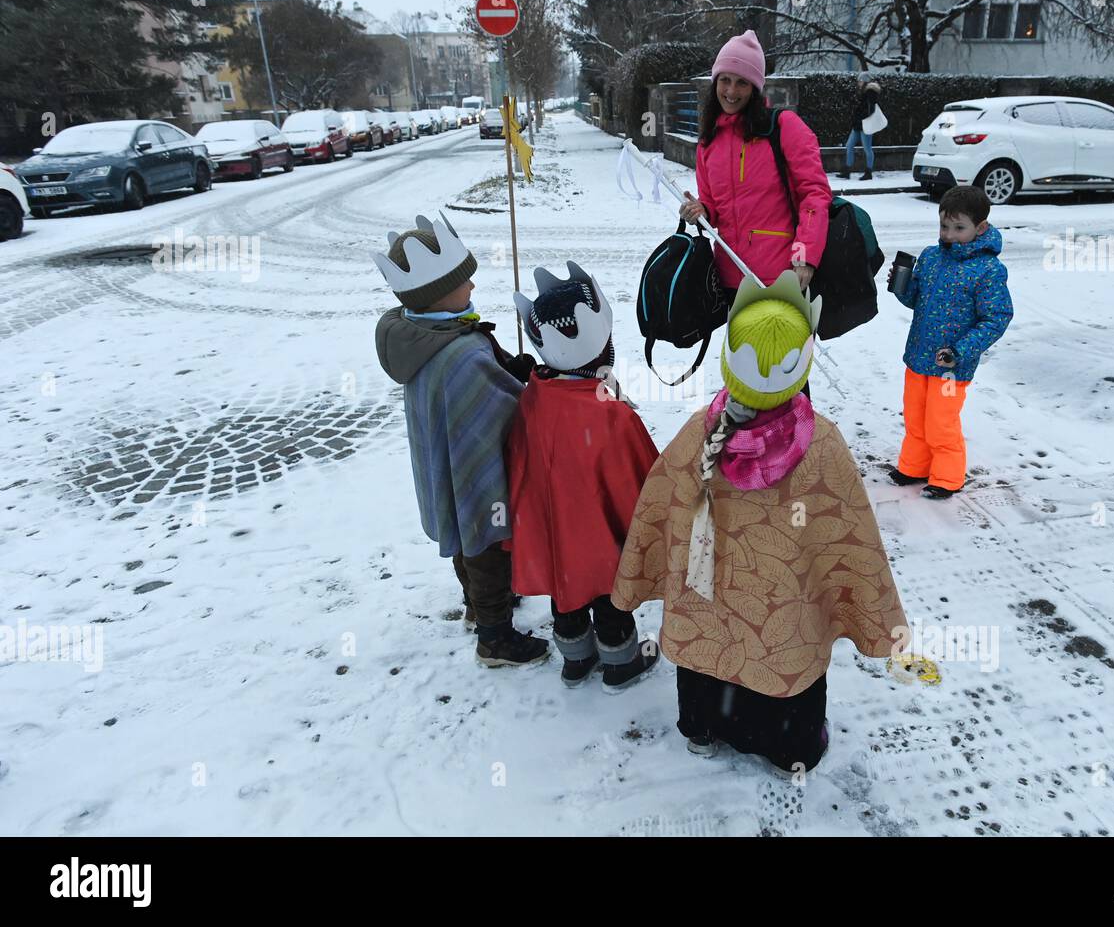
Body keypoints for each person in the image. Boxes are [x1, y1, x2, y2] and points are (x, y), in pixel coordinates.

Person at [612, 271, 909, 773]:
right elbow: (850, 537)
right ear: (801, 365)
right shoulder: (823, 447)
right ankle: (788, 746)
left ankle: (704, 727)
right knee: (783, 645)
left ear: (730, 360)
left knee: (709, 639)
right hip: (782, 615)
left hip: (708, 597)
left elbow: (659, 510)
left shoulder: (697, 434)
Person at [373, 212, 549, 666]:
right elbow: (504, 409)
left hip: (447, 465)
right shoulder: (460, 354)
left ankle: (476, 605)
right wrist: (532, 391)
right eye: (463, 281)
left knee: (463, 528)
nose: (472, 288)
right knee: (486, 543)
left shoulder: (421, 334)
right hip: (478, 469)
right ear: (437, 294)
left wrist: (507, 366)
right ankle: (495, 638)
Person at [506, 262, 662, 691]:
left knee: (567, 588)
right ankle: (621, 661)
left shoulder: (535, 396)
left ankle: (576, 659)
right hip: (600, 536)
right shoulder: (609, 414)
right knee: (608, 591)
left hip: (555, 531)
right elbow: (644, 482)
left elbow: (521, 463)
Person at [677, 30, 832, 297]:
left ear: (755, 88)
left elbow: (814, 194)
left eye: (742, 83)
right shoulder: (708, 142)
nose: (731, 91)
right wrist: (701, 210)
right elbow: (715, 206)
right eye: (725, 80)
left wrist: (805, 256)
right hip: (730, 279)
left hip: (782, 280)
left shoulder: (784, 127)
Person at [887, 186, 1014, 499]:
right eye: (944, 226)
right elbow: (916, 300)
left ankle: (947, 478)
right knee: (915, 416)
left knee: (940, 423)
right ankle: (914, 467)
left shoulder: (987, 270)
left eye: (959, 228)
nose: (949, 234)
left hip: (950, 366)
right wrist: (901, 285)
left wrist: (961, 350)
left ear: (980, 228)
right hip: (918, 356)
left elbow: (997, 318)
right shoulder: (931, 257)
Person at [837, 75, 883, 181]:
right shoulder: (863, 91)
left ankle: (868, 172)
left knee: (867, 148)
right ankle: (847, 170)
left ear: (865, 81)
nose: (858, 82)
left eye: (860, 80)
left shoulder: (870, 92)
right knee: (849, 145)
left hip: (865, 125)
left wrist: (861, 118)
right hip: (858, 124)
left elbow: (870, 109)